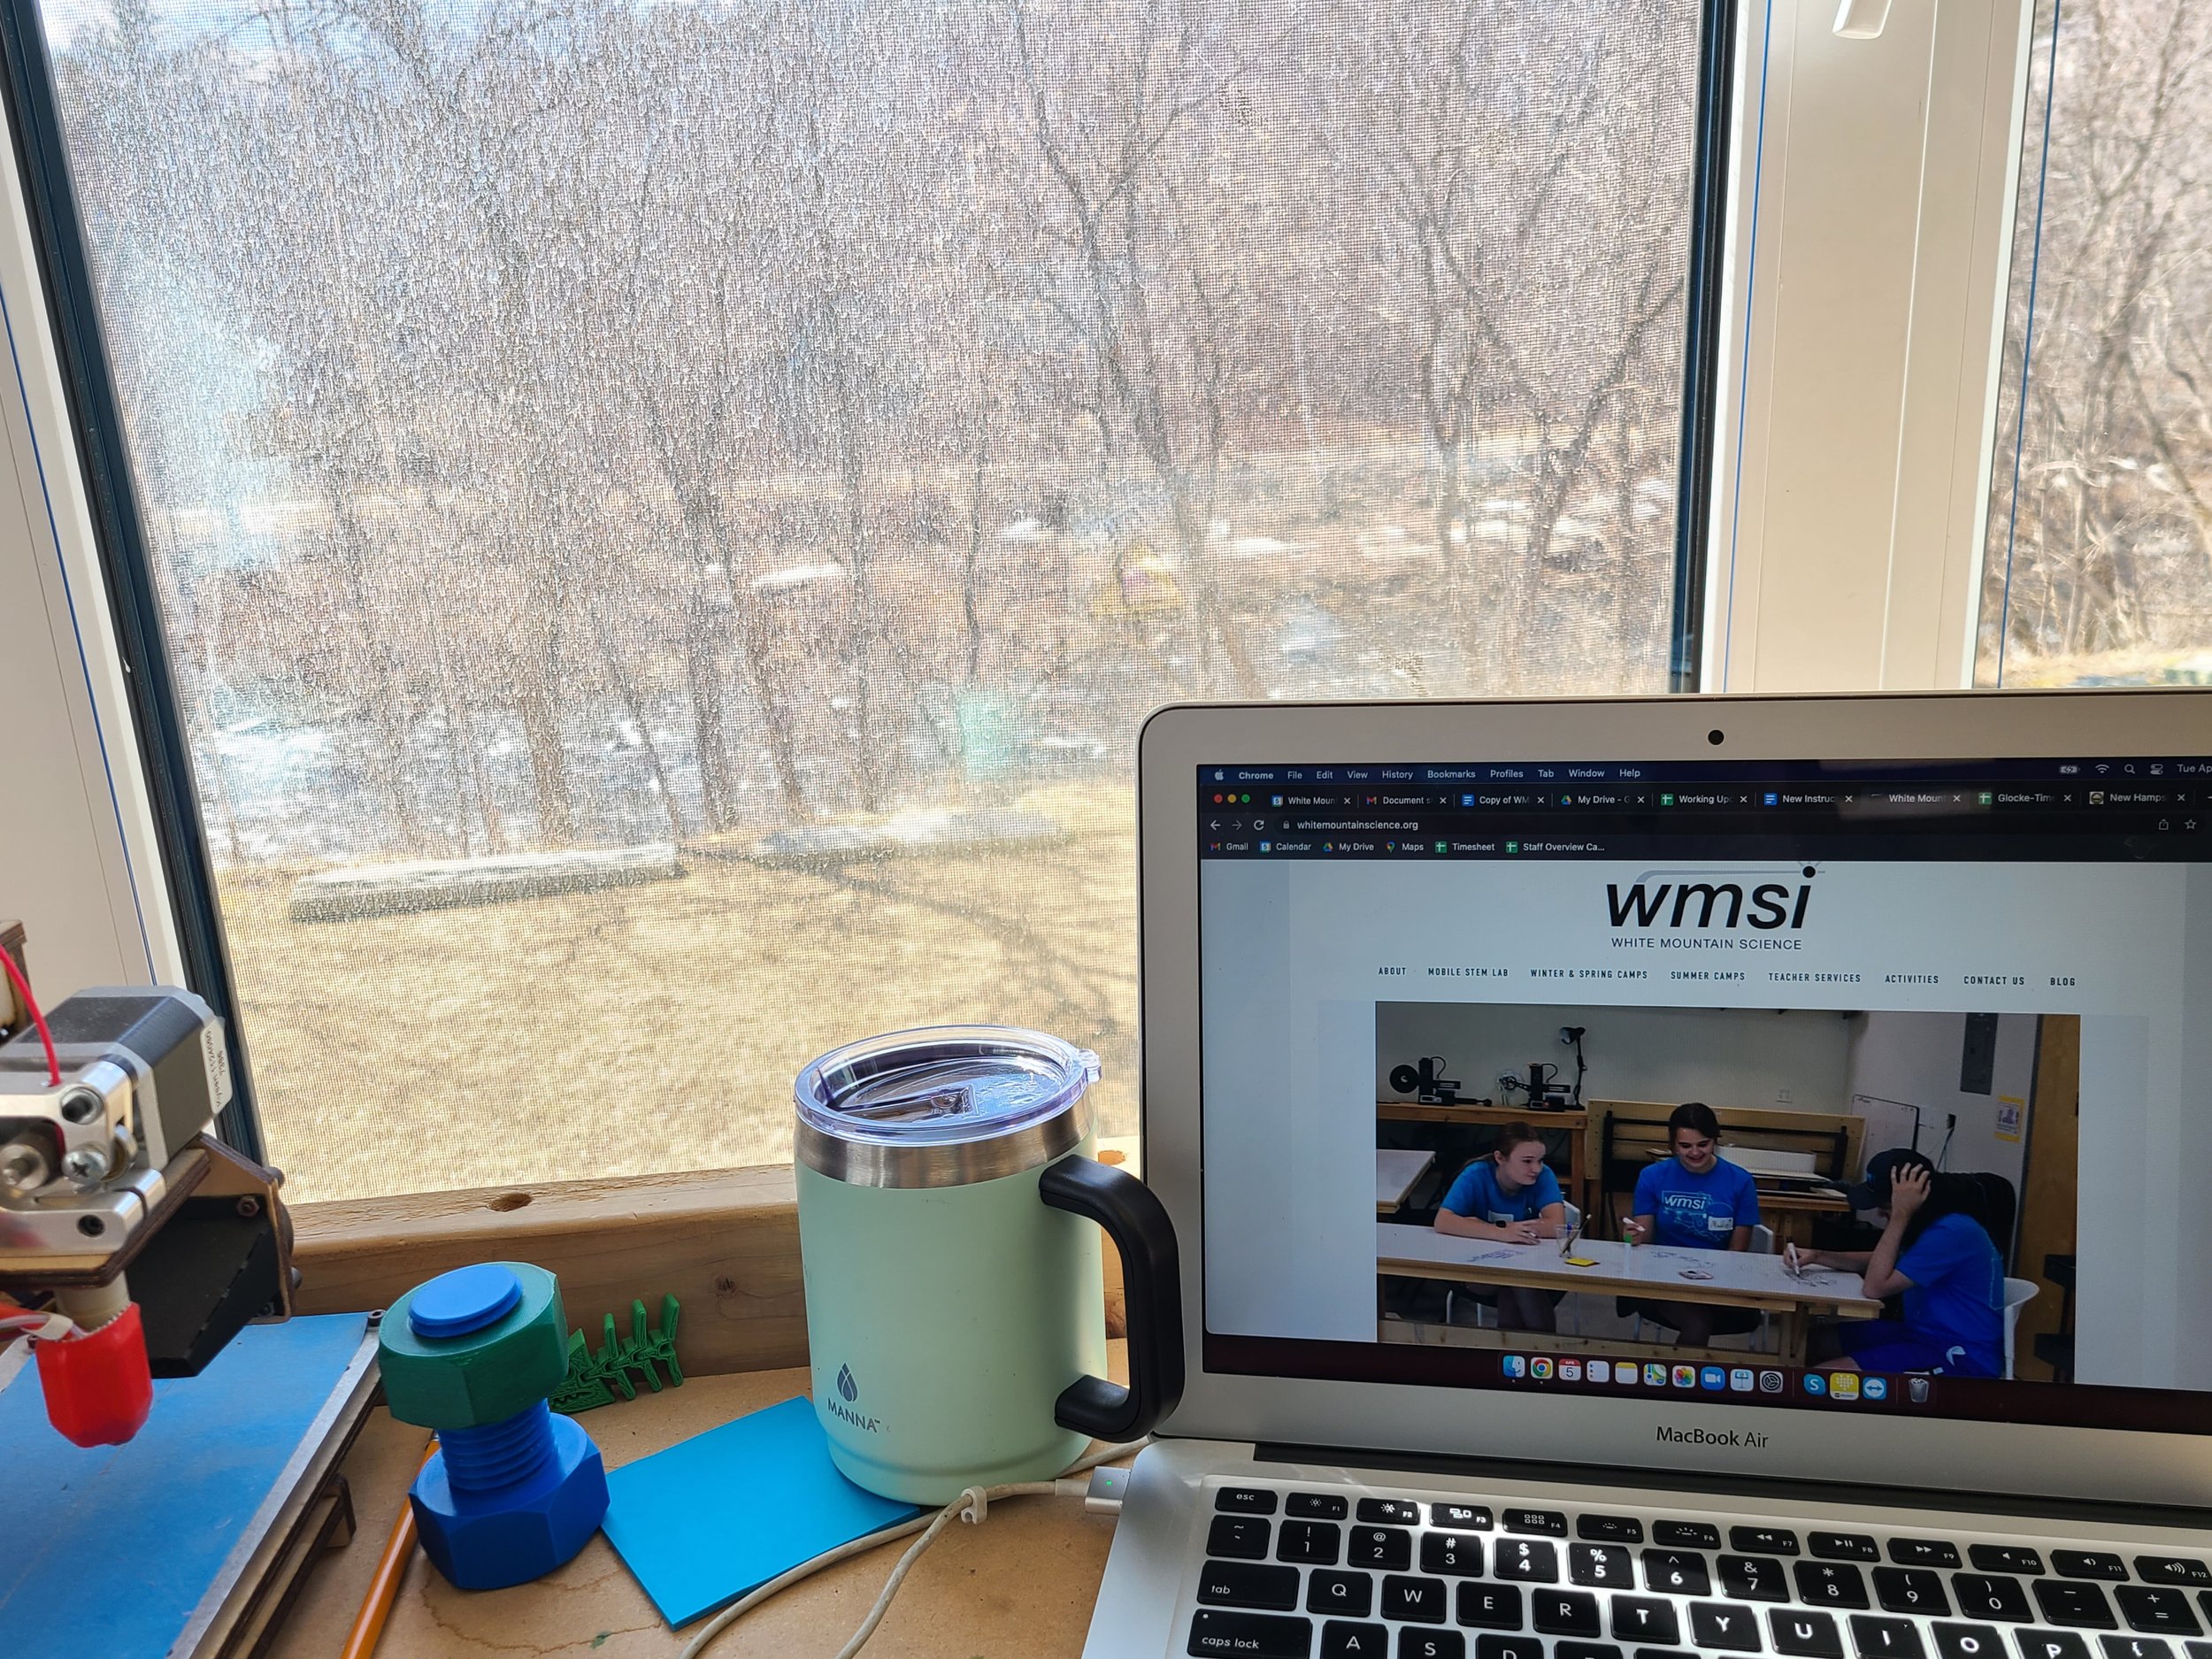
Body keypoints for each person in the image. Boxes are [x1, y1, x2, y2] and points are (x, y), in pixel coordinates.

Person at [1802, 1148, 2005, 1378]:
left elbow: (1875, 1287)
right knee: (1809, 1342)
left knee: (1823, 1378)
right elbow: (1889, 1263)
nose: (1880, 1213)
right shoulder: (1930, 1224)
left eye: (1886, 1205)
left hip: (1961, 1355)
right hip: (1918, 1334)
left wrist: (1900, 1215)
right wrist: (1818, 1255)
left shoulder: (1953, 1231)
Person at [1623, 1102, 1761, 1347]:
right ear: (1673, 1145)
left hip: (1718, 1280)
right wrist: (1631, 1238)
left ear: (1715, 1141)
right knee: (1697, 1323)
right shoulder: (1653, 1176)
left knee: (1701, 1318)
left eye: (1703, 1144)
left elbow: (1737, 1252)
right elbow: (1642, 1239)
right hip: (1663, 1278)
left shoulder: (1740, 1181)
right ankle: (1682, 1381)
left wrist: (1711, 1283)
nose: (1695, 1152)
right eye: (1685, 1146)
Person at [1434, 1123, 1567, 1332]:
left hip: (1525, 1267)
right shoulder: (1475, 1174)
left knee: (1513, 1286)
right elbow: (1443, 1221)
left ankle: (1509, 1354)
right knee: (1519, 1279)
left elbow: (1557, 1226)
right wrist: (1501, 1233)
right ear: (1500, 1158)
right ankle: (1546, 1351)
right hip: (1477, 1270)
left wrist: (1481, 1226)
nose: (1536, 1169)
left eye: (1540, 1160)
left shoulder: (1544, 1176)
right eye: (1527, 1161)